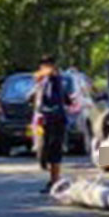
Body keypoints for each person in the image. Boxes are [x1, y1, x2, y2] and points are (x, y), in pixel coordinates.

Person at [31, 54, 69, 193]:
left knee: (54, 150)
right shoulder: (44, 81)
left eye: (44, 65)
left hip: (55, 119)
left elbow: (51, 74)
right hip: (45, 119)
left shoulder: (54, 78)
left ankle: (55, 180)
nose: (42, 68)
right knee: (46, 149)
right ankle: (53, 178)